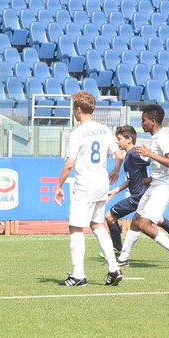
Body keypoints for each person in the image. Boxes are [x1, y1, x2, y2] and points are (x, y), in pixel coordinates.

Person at [52, 91, 124, 288]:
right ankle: (114, 269)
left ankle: (78, 275)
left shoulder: (77, 133)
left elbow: (69, 164)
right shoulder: (104, 129)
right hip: (102, 182)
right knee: (97, 224)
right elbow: (119, 155)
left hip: (85, 184)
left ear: (78, 109)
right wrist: (116, 171)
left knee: (76, 227)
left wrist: (59, 186)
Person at [116, 104, 169, 269]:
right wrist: (151, 178)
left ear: (153, 121)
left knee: (144, 225)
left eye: (144, 120)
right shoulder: (155, 137)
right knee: (136, 220)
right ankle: (123, 257)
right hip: (156, 184)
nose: (142, 123)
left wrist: (149, 154)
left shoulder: (163, 138)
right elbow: (160, 165)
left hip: (166, 186)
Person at [105, 125, 169, 256]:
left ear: (129, 139)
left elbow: (152, 160)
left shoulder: (135, 153)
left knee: (110, 217)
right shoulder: (129, 156)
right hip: (143, 195)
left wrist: (151, 161)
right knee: (158, 219)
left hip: (138, 197)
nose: (117, 141)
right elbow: (130, 180)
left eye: (119, 139)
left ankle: (118, 250)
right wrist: (115, 191)